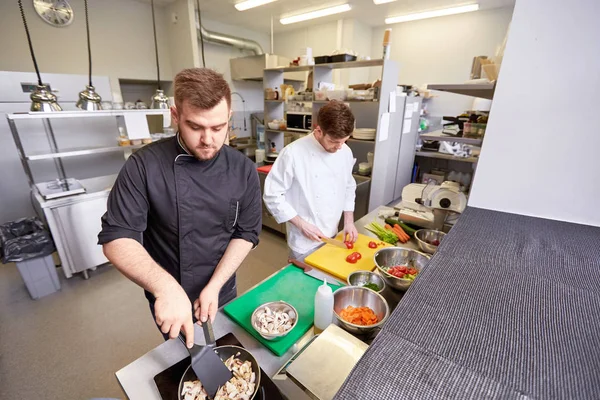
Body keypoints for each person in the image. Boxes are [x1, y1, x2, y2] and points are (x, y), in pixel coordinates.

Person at [98, 68, 262, 348]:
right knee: (185, 356)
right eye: (195, 127)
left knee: (227, 349)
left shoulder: (243, 169)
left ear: (229, 119)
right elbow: (117, 238)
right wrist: (164, 287)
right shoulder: (143, 166)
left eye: (218, 128)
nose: (208, 140)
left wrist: (216, 285)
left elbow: (246, 233)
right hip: (169, 293)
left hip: (221, 286)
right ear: (175, 116)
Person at [263, 101, 358, 259]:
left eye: (344, 141)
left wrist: (349, 221)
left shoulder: (345, 151)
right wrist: (302, 225)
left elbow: (348, 185)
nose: (339, 147)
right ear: (319, 130)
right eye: (334, 142)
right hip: (303, 241)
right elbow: (272, 195)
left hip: (333, 235)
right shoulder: (293, 153)